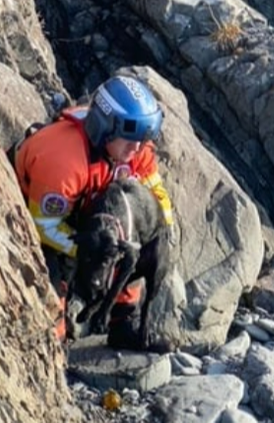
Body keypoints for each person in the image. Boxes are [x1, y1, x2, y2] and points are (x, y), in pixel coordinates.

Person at [11, 74, 175, 346]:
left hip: (90, 214)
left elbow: (156, 195)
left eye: (141, 140)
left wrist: (157, 234)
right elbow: (43, 225)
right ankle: (55, 343)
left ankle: (124, 323)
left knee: (135, 238)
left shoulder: (135, 150)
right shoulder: (64, 162)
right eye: (128, 139)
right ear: (105, 128)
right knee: (51, 275)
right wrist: (93, 251)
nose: (135, 149)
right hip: (34, 213)